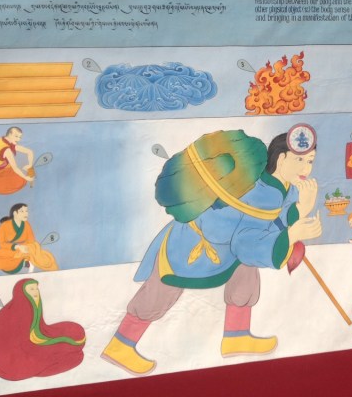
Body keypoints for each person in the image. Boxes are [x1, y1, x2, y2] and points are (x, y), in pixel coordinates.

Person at [101, 128, 323, 376]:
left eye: (310, 161)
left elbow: (269, 225)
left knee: (245, 274)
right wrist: (293, 231)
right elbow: (248, 241)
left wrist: (299, 210)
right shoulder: (255, 188)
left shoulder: (287, 189)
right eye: (300, 160)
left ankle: (236, 336)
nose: (306, 168)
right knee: (162, 291)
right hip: (193, 244)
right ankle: (120, 345)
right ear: (281, 159)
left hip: (228, 249)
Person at [0, 278, 85, 381]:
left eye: (36, 289)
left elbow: (39, 329)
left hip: (33, 342)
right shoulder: (11, 312)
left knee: (75, 332)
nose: (35, 292)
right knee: (72, 355)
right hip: (12, 358)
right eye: (31, 289)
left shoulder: (30, 306)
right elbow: (21, 342)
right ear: (22, 292)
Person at [0, 203, 58, 273]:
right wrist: (17, 247)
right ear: (15, 213)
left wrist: (24, 247)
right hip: (10, 249)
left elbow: (31, 240)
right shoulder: (3, 226)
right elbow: (2, 244)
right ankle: (25, 263)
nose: (26, 214)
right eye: (22, 211)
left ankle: (27, 259)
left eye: (26, 211)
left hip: (26, 248)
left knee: (42, 254)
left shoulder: (26, 224)